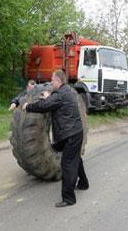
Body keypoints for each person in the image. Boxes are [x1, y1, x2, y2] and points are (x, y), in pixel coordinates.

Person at [22, 70, 89, 208]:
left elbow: (44, 106)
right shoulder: (65, 92)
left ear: (58, 81)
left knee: (67, 164)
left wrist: (28, 106)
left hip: (70, 134)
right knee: (75, 157)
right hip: (75, 132)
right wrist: (49, 96)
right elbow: (54, 100)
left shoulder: (59, 94)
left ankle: (69, 199)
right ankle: (83, 183)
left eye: (53, 80)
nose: (51, 82)